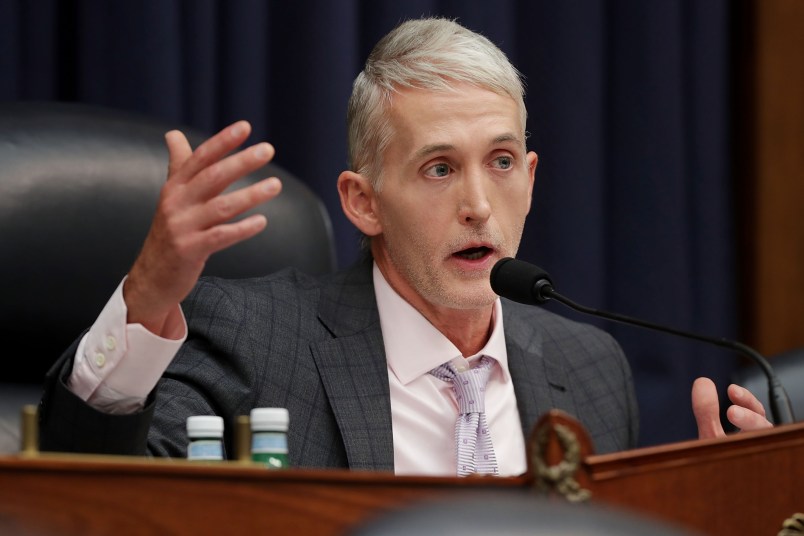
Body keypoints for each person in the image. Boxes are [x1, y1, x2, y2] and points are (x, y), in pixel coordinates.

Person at [37, 17, 771, 476]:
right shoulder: (258, 341)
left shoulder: (591, 369)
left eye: (503, 162)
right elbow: (95, 486)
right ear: (363, 202)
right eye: (440, 168)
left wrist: (717, 504)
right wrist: (150, 292)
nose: (479, 205)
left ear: (533, 176)